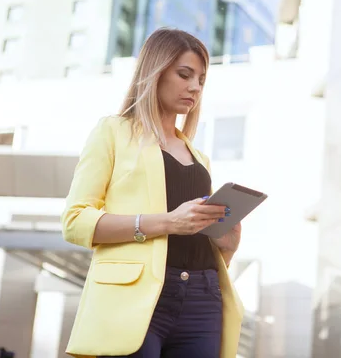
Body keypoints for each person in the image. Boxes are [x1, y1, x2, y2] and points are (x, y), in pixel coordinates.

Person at [61, 28, 244, 358]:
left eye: (201, 79)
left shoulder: (199, 157)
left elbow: (192, 234)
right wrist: (167, 222)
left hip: (203, 296)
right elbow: (75, 222)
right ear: (155, 72)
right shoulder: (113, 132)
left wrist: (226, 248)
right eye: (184, 74)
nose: (194, 87)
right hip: (135, 296)